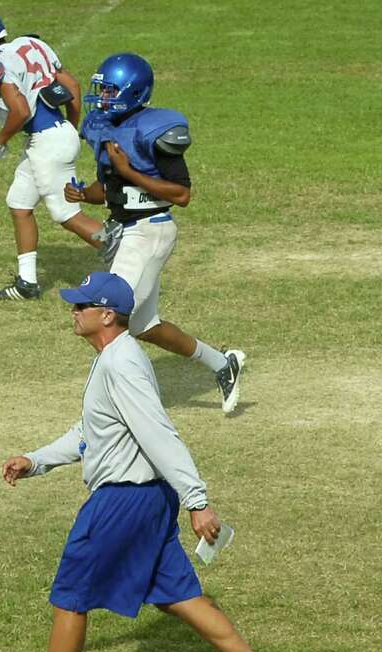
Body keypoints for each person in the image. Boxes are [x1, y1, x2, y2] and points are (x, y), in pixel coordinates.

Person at [0, 271, 291, 652]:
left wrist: (198, 501)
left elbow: (158, 433)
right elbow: (91, 433)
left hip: (122, 502)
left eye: (80, 307)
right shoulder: (114, 358)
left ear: (106, 315)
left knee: (70, 597)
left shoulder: (121, 364)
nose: (73, 313)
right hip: (146, 500)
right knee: (177, 594)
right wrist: (37, 461)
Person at [66, 53, 246, 413]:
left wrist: (129, 170)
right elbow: (110, 186)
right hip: (128, 231)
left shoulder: (157, 131)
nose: (101, 98)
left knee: (107, 311)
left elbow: (181, 195)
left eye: (110, 91)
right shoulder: (105, 125)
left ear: (133, 93)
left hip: (151, 230)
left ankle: (118, 395)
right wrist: (86, 194)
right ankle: (223, 364)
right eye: (100, 90)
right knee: (144, 325)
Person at [0, 8, 104, 300]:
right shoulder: (30, 44)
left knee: (67, 215)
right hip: (54, 136)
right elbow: (72, 87)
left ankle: (128, 256)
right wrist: (70, 130)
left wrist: (0, 140)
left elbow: (20, 111)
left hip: (46, 142)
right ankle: (27, 284)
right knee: (19, 202)